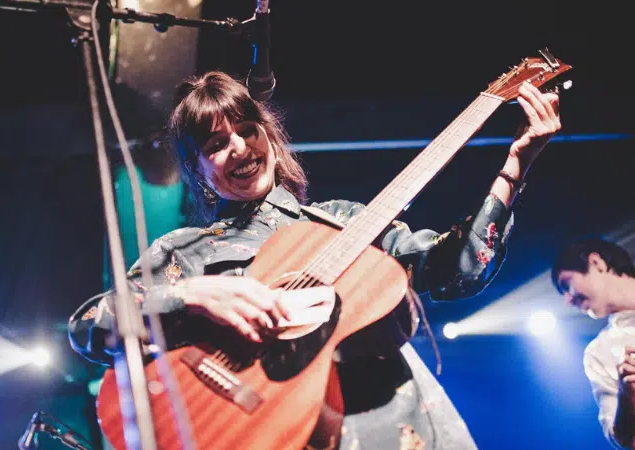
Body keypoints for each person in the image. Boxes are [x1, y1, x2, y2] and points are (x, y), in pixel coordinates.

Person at [69, 71, 561, 449]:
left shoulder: (342, 221)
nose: (239, 147)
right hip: (257, 430)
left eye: (247, 130)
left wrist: (514, 167)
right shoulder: (184, 251)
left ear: (269, 136)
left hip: (383, 428)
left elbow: (461, 270)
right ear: (197, 170)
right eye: (216, 145)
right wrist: (191, 295)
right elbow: (89, 325)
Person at [552, 238, 635, 449]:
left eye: (566, 285)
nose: (568, 300)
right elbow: (626, 442)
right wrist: (628, 396)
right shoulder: (599, 352)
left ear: (597, 263)